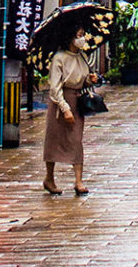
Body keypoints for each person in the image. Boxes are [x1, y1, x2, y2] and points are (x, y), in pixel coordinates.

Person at [42, 23, 99, 195]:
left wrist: (90, 80)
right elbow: (55, 87)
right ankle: (49, 178)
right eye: (79, 35)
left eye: (83, 35)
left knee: (76, 140)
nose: (82, 39)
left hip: (76, 101)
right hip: (59, 103)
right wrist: (64, 107)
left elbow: (82, 80)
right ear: (71, 37)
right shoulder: (59, 58)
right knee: (53, 140)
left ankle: (78, 180)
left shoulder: (82, 56)